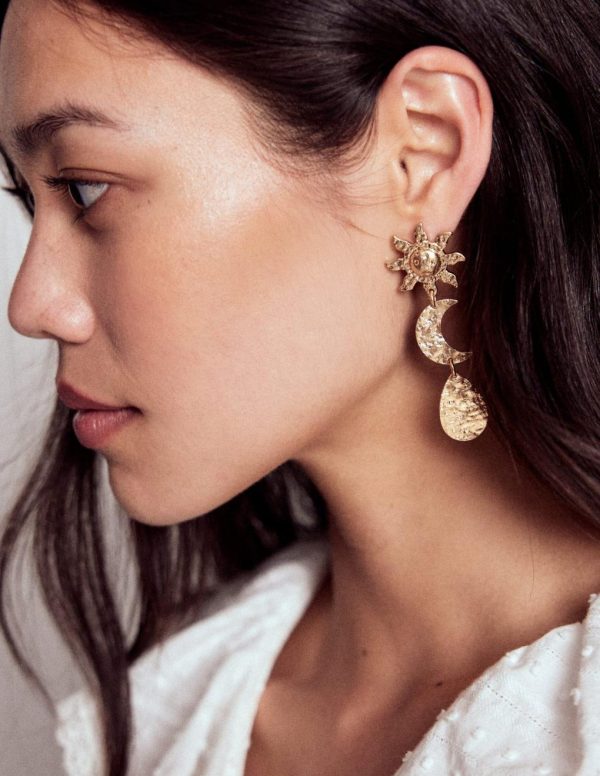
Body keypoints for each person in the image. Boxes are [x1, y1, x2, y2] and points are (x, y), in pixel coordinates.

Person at [0, 0, 599, 774]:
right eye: (29, 200)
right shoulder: (175, 709)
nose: (31, 306)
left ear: (424, 151)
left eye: (85, 189)